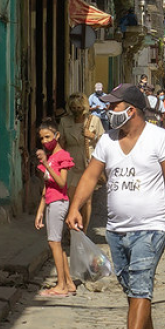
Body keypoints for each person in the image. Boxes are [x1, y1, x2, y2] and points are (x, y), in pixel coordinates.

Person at [66, 84, 165, 329]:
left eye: (114, 105)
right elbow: (92, 175)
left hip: (151, 226)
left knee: (141, 284)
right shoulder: (107, 141)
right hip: (117, 230)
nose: (108, 110)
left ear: (131, 109)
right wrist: (74, 207)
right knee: (132, 290)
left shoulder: (159, 139)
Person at [34, 120, 76, 297]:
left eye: (48, 137)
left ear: (57, 135)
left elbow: (61, 182)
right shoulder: (51, 158)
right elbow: (46, 188)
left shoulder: (62, 156)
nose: (44, 141)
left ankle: (61, 286)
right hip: (51, 201)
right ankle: (68, 283)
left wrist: (47, 166)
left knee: (54, 242)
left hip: (59, 201)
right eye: (42, 138)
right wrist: (40, 211)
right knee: (56, 243)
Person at [60, 93, 103, 232]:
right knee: (71, 198)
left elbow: (103, 142)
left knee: (87, 200)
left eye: (79, 107)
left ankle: (83, 231)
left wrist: (93, 136)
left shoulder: (94, 120)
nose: (76, 110)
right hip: (71, 160)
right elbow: (61, 142)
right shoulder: (64, 122)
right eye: (73, 107)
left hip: (87, 159)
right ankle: (72, 227)